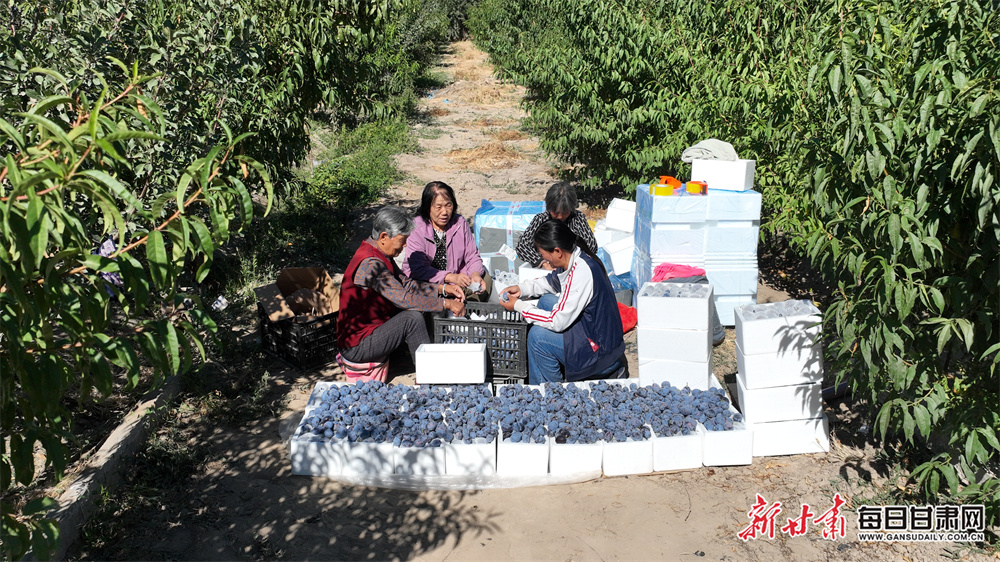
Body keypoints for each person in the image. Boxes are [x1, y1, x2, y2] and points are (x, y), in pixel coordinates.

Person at [338, 206, 466, 369]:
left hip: (373, 331)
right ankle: (429, 374)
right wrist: (446, 304)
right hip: (357, 347)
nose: (405, 245)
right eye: (402, 240)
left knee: (422, 305)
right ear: (384, 237)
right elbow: (404, 299)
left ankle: (413, 356)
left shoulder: (379, 251)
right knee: (412, 318)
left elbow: (406, 284)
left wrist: (442, 289)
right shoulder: (371, 264)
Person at [500, 219, 626, 384]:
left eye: (543, 255)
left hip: (601, 355)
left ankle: (550, 393)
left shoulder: (581, 272)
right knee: (546, 301)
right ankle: (555, 371)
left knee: (537, 338)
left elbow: (556, 322)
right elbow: (551, 282)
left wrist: (519, 306)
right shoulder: (575, 256)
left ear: (557, 251)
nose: (544, 260)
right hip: (596, 334)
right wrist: (522, 289)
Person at [403, 181, 491, 302]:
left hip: (459, 280)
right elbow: (418, 269)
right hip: (430, 283)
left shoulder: (459, 223)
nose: (444, 212)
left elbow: (472, 255)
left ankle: (463, 307)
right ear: (427, 207)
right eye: (438, 207)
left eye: (448, 205)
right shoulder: (416, 228)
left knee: (485, 280)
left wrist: (475, 274)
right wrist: (450, 278)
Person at [515, 183, 598, 270]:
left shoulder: (577, 218)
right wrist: (543, 262)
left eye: (565, 212)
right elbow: (522, 246)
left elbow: (591, 246)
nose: (560, 217)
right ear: (549, 207)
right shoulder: (540, 220)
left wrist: (570, 261)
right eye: (555, 213)